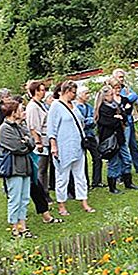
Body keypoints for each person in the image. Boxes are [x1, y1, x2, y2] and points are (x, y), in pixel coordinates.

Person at [47, 81, 95, 216]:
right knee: (62, 176)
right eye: (73, 92)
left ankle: (84, 201)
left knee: (80, 175)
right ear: (66, 91)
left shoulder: (73, 105)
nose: (75, 95)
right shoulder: (55, 106)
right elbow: (52, 128)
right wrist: (53, 146)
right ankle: (61, 205)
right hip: (63, 146)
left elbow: (80, 121)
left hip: (77, 145)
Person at [0, 99, 37, 238]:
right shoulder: (5, 128)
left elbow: (31, 142)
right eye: (20, 109)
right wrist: (25, 142)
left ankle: (23, 226)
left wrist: (26, 141)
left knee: (24, 198)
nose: (22, 111)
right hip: (14, 169)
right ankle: (14, 227)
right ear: (13, 112)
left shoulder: (20, 126)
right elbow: (17, 147)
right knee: (15, 198)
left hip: (25, 167)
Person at [95, 85, 136, 194]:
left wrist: (119, 117)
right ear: (105, 97)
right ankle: (112, 187)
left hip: (120, 137)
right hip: (110, 139)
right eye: (110, 95)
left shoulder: (115, 105)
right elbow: (107, 122)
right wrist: (117, 119)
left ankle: (128, 182)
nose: (113, 96)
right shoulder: (102, 109)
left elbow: (124, 116)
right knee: (113, 163)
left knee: (127, 159)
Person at [112, 69, 138, 173]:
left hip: (129, 120)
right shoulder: (112, 90)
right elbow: (123, 102)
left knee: (133, 145)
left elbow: (135, 96)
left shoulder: (125, 87)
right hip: (120, 124)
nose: (122, 79)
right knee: (122, 146)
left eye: (122, 77)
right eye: (120, 77)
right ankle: (122, 172)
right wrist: (127, 99)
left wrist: (127, 99)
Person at [25, 80, 52, 202]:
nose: (44, 92)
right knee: (41, 169)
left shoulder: (40, 104)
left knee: (45, 169)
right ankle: (43, 195)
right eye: (41, 90)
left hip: (46, 140)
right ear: (35, 91)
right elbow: (33, 127)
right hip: (41, 142)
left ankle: (46, 192)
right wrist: (38, 142)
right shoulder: (33, 107)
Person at [75, 87, 104, 188]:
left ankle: (97, 181)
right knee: (83, 161)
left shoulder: (89, 106)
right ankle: (85, 182)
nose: (88, 96)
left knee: (97, 157)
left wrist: (90, 120)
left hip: (91, 135)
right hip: (82, 136)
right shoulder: (76, 107)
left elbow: (95, 118)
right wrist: (90, 120)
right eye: (86, 93)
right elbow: (81, 121)